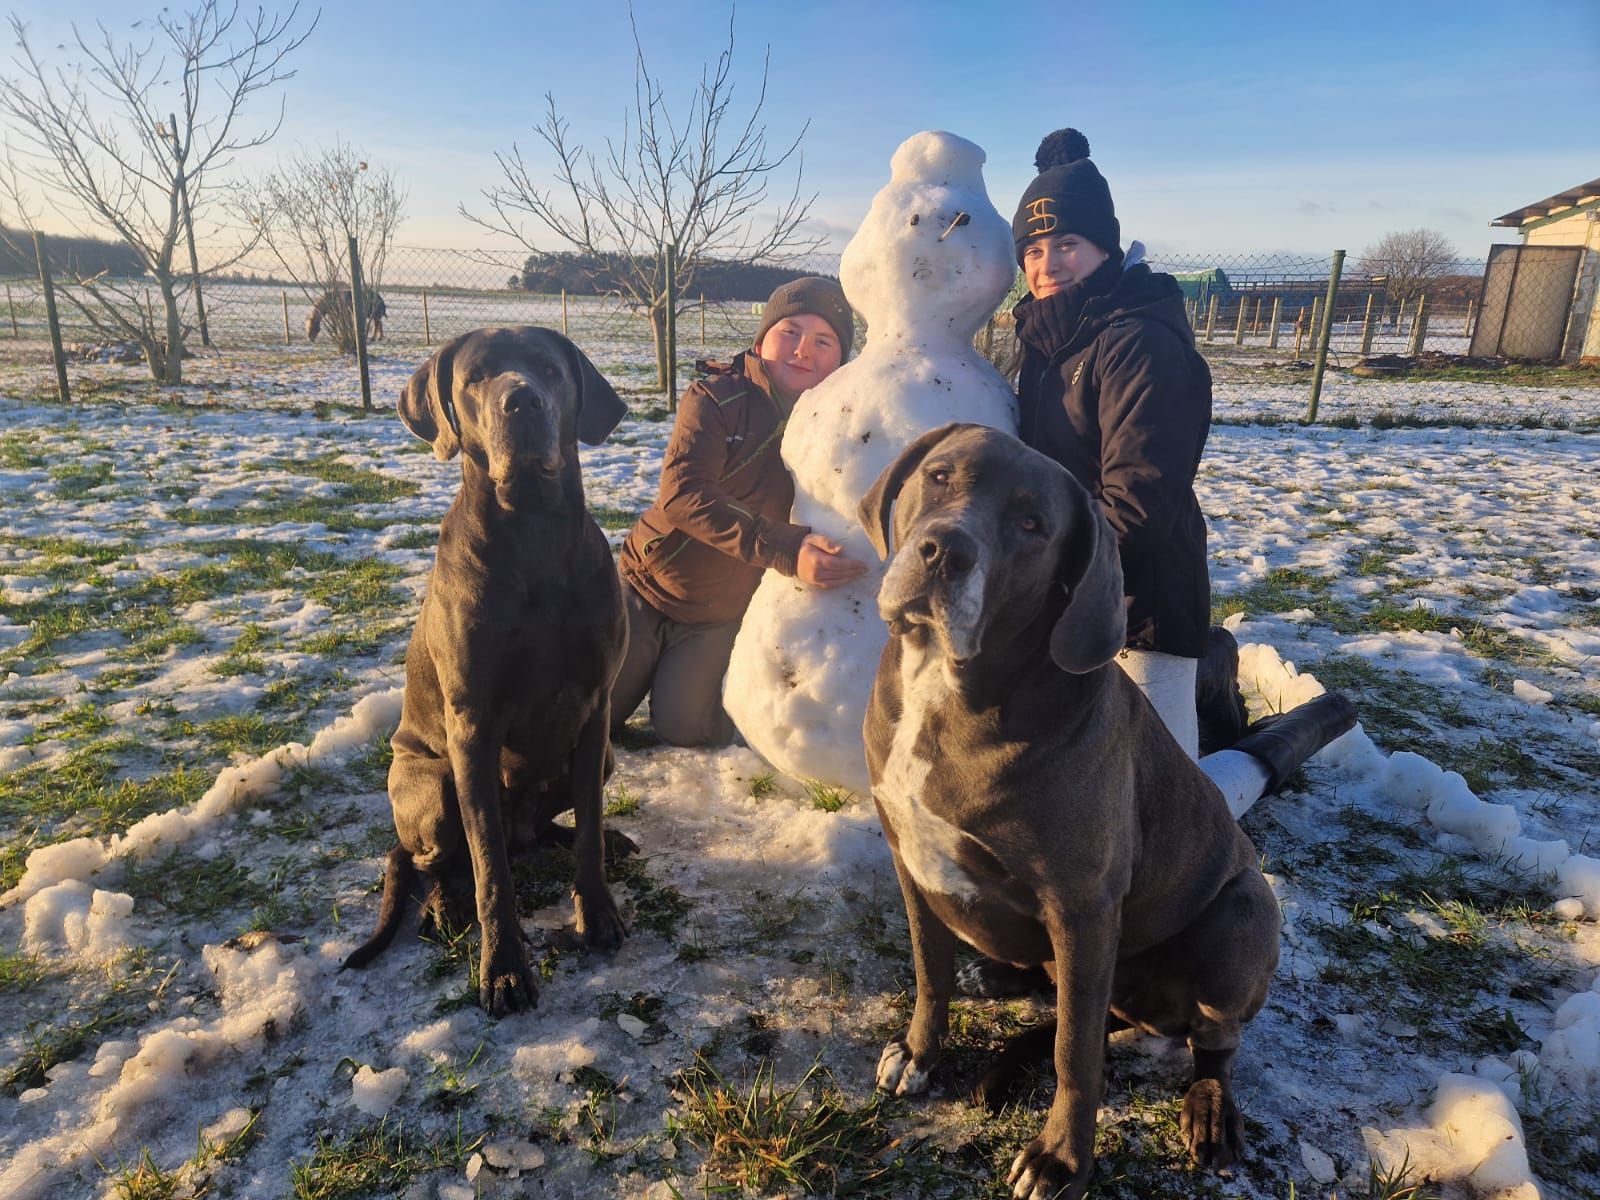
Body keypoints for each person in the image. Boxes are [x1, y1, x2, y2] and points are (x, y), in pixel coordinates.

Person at [1008, 127, 1357, 809]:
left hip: (1140, 603)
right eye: (1035, 250)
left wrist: (1042, 577)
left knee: (1164, 812)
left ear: (1105, 248)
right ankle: (1215, 677)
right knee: (1070, 784)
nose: (1049, 264)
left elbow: (1138, 502)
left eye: (1068, 244)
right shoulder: (1047, 343)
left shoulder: (1138, 342)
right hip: (1063, 594)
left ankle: (1277, 740)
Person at [612, 277, 868, 746]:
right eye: (789, 331)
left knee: (685, 729)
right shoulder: (714, 398)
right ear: (761, 338)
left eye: (823, 341)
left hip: (720, 614)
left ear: (841, 361)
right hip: (647, 588)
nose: (802, 350)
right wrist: (786, 549)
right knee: (591, 716)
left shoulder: (845, 424)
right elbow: (684, 495)